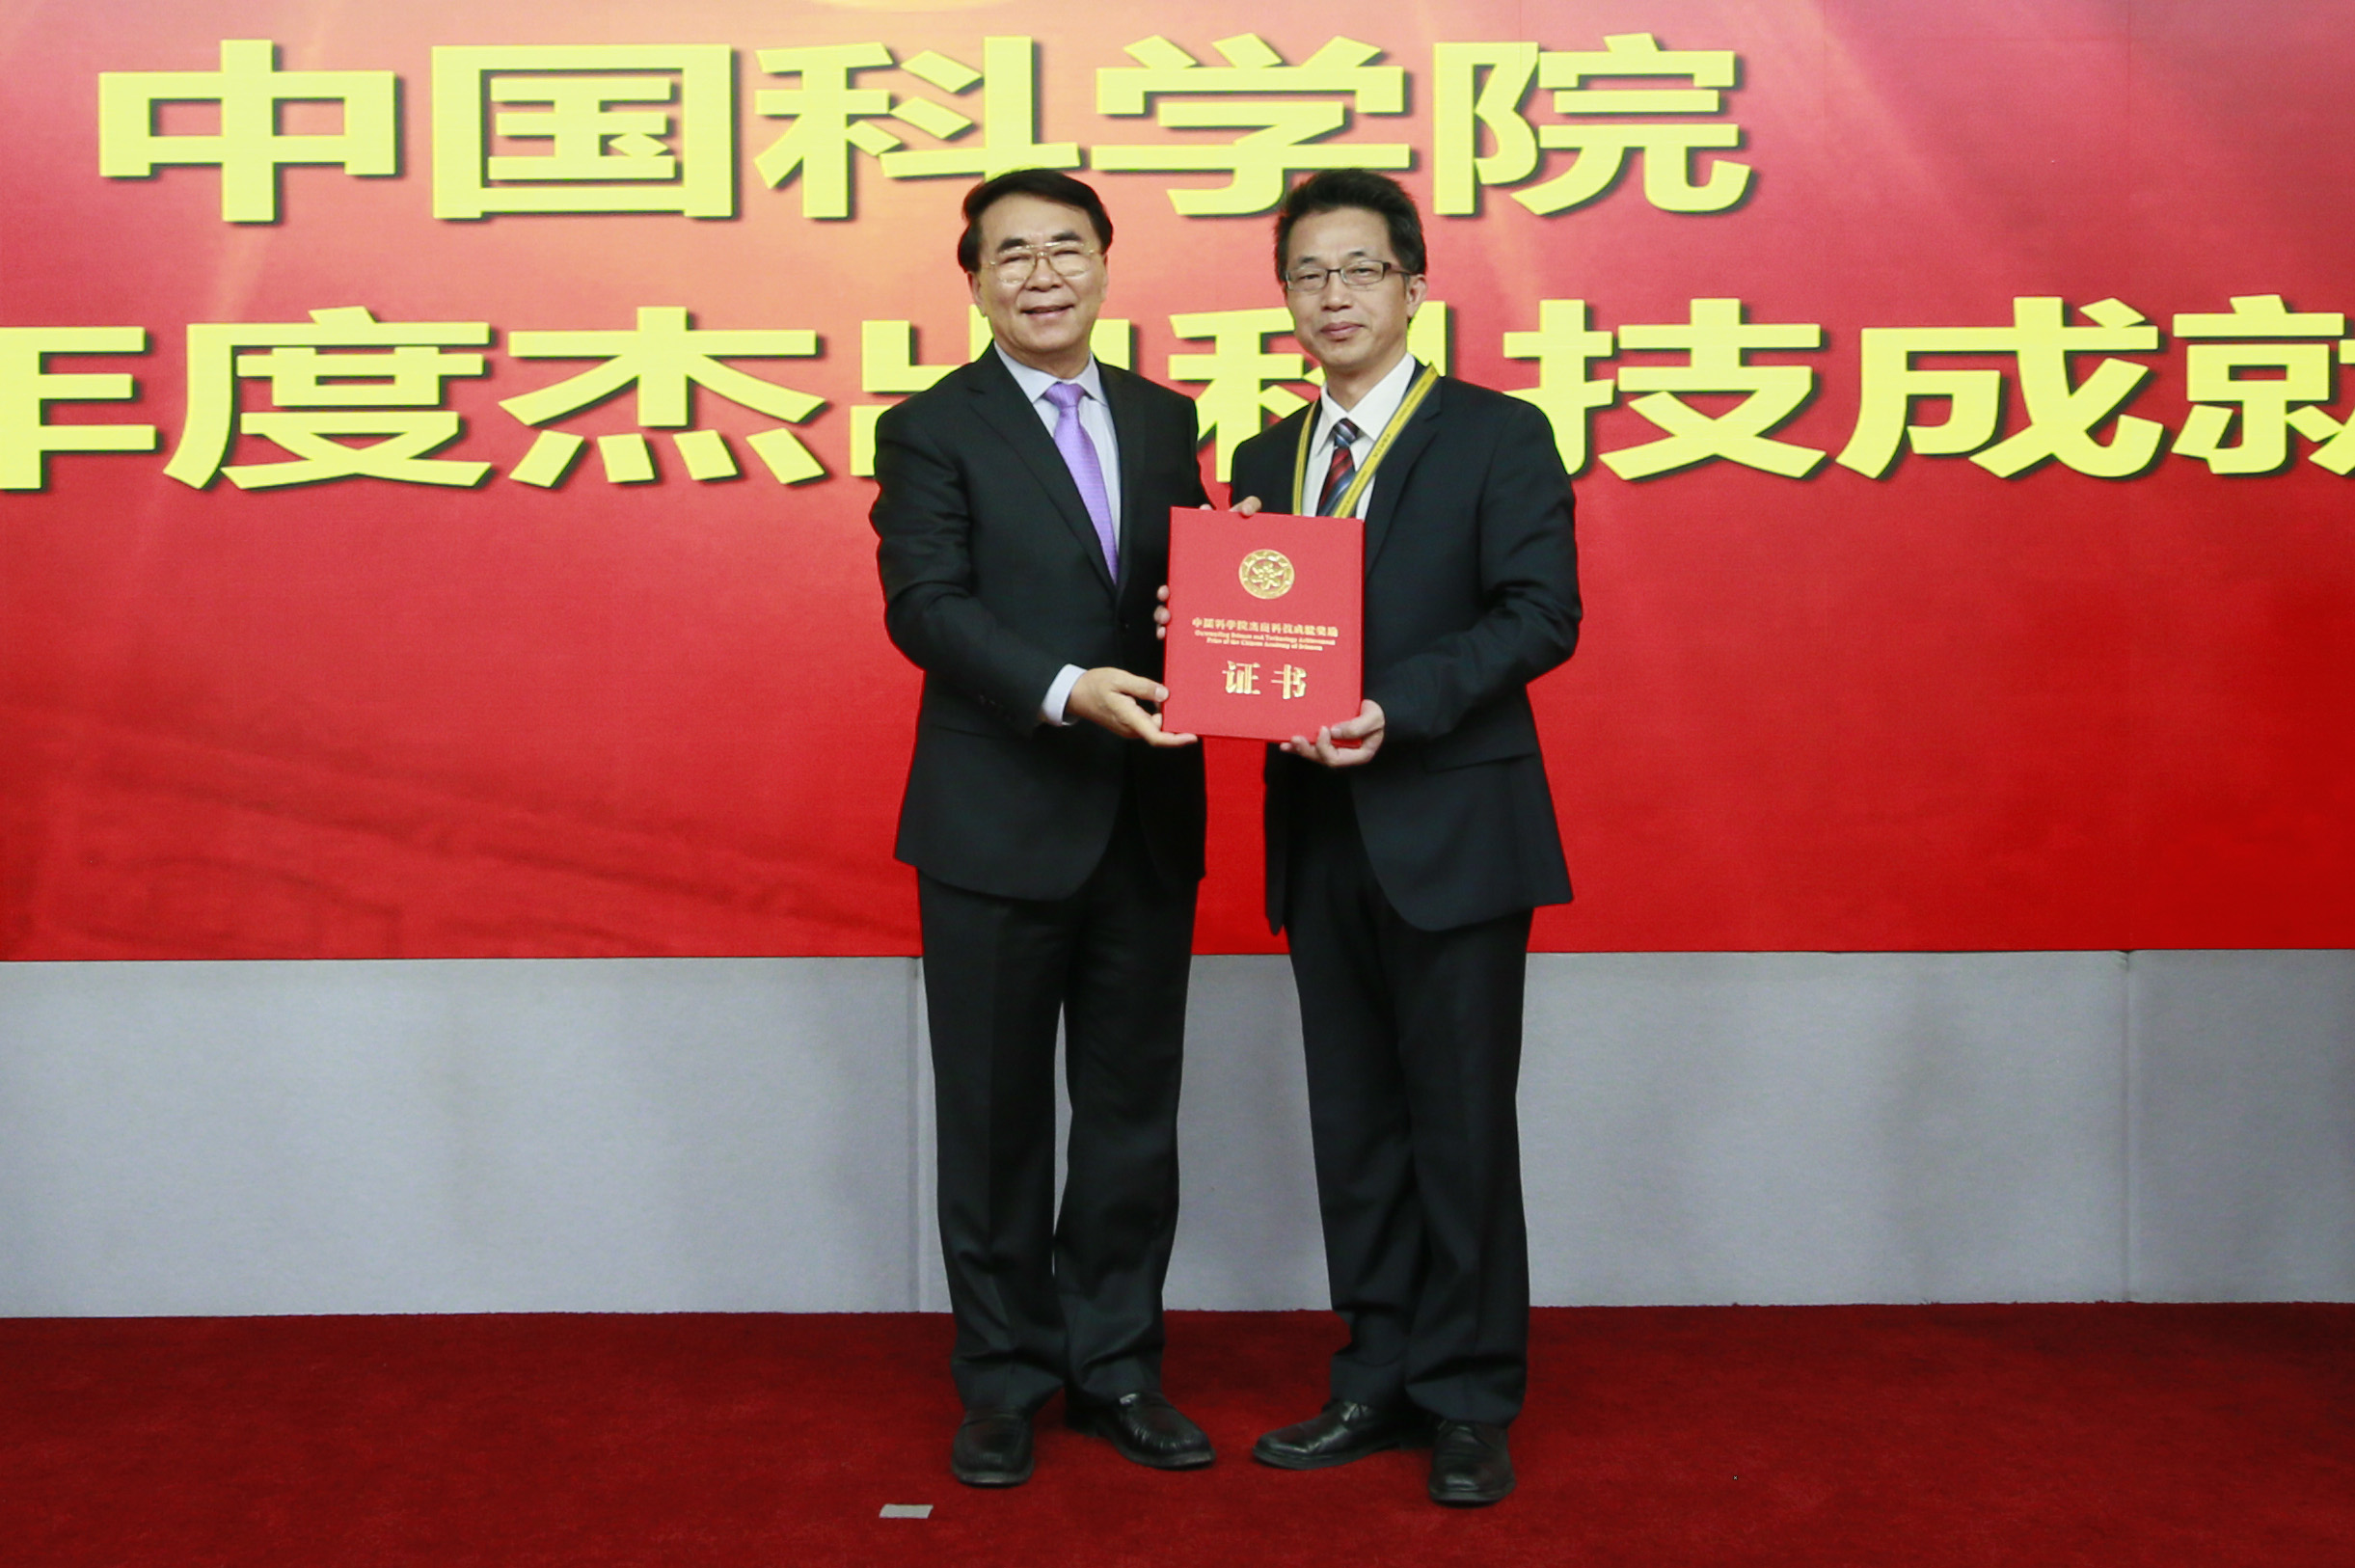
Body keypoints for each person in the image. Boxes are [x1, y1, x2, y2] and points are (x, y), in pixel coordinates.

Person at [1226, 170, 1581, 1506]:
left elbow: (1539, 613)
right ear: (1286, 297)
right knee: (1356, 1125)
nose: (1334, 296)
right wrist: (1199, 632)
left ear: (1414, 285)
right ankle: (1373, 1373)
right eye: (1308, 274)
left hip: (1454, 826)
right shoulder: (1265, 459)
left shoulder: (1498, 435)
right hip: (1318, 832)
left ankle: (1470, 1396)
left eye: (1360, 269)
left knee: (1460, 1126)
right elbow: (1255, 632)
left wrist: (1397, 707)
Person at [871, 169, 1214, 1487]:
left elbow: (1185, 590)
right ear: (973, 283)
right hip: (994, 821)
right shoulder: (928, 428)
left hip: (1144, 818)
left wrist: (1222, 609)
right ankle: (1007, 1374)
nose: (1041, 274)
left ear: (1105, 265)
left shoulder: (1165, 417)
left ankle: (1117, 1363)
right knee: (994, 1117)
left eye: (1065, 247)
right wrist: (1066, 689)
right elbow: (925, 604)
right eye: (1009, 253)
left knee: (1131, 1114)